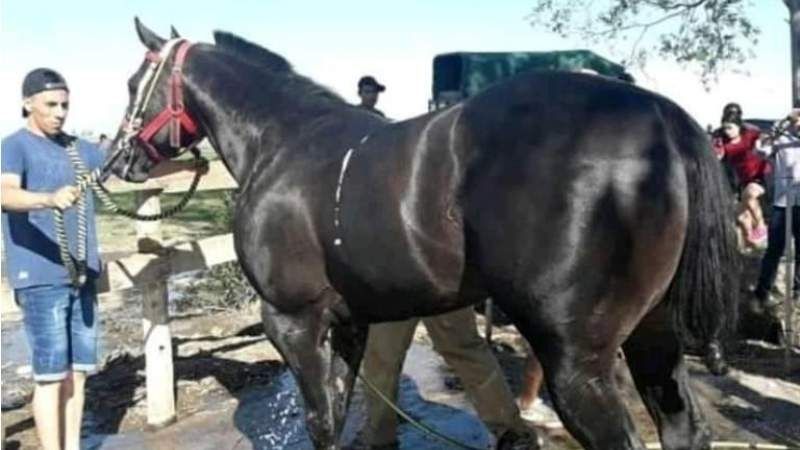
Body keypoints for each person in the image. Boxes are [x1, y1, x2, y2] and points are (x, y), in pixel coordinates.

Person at [1, 68, 105, 450]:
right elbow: (6, 194)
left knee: (77, 374)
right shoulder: (14, 146)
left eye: (65, 105)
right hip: (41, 277)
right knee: (49, 374)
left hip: (82, 274)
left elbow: (123, 167)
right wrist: (47, 198)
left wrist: (187, 165)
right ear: (28, 103)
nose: (60, 113)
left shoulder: (78, 148)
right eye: (51, 105)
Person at [360, 307, 537, 449]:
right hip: (393, 284)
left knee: (463, 349)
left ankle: (513, 433)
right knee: (380, 359)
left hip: (443, 276)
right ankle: (381, 439)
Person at [753, 110, 800, 308]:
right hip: (782, 203)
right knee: (774, 250)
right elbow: (760, 151)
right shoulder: (781, 138)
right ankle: (761, 293)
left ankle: (797, 292)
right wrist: (780, 127)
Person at [712, 113, 769, 248]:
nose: (728, 132)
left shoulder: (750, 134)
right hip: (743, 181)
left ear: (738, 127)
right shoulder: (724, 142)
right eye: (725, 129)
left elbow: (766, 136)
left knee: (748, 195)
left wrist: (765, 140)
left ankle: (761, 227)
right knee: (741, 218)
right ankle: (751, 246)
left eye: (730, 128)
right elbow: (718, 156)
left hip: (762, 175)